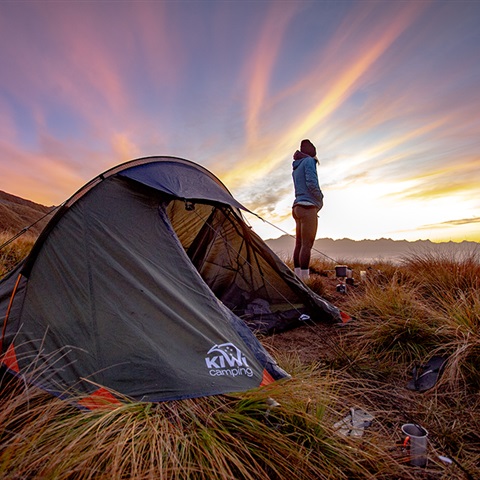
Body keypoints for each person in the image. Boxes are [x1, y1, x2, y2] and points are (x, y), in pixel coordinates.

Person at [291, 139, 323, 281]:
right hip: (307, 207)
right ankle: (306, 280)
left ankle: (298, 277)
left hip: (297, 207)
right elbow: (311, 183)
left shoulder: (296, 167)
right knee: (307, 245)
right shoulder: (309, 161)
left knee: (299, 244)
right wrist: (320, 198)